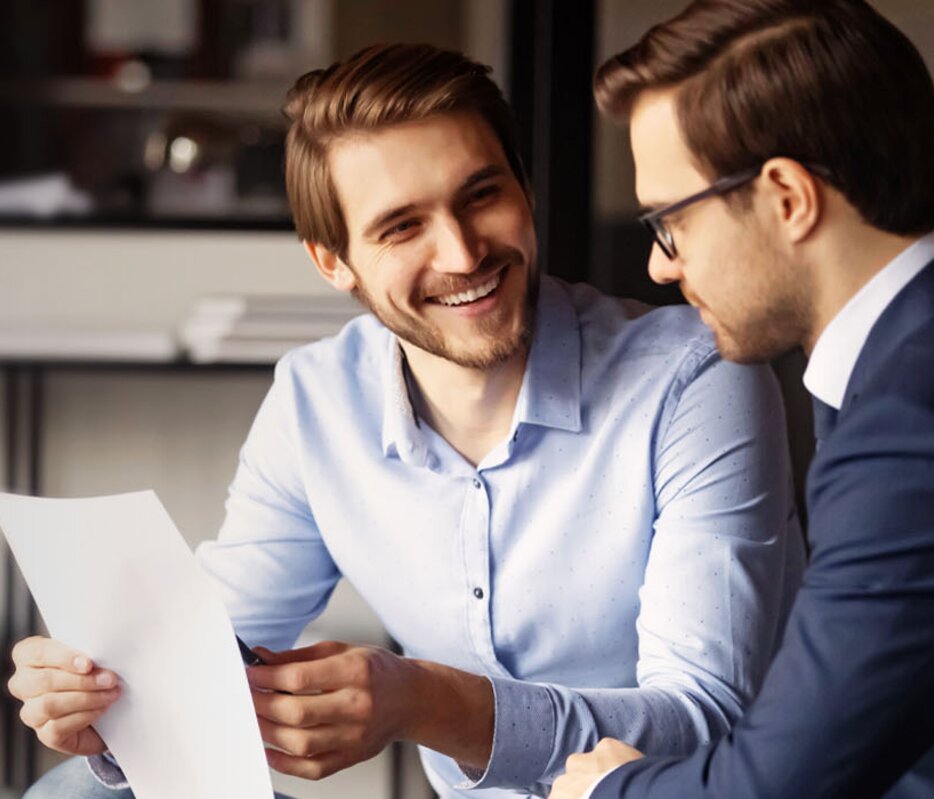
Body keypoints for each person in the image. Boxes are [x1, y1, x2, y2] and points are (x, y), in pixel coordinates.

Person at [8, 43, 804, 799]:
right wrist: (107, 709)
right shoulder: (316, 399)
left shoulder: (697, 376)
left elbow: (707, 722)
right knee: (84, 789)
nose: (461, 254)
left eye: (481, 195)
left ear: (523, 188)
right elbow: (204, 659)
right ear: (333, 260)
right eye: (401, 226)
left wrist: (423, 701)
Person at [550, 1, 934, 798]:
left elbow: (782, 784)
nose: (658, 266)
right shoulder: (926, 348)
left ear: (787, 196)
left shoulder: (912, 425)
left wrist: (609, 792)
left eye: (669, 220)